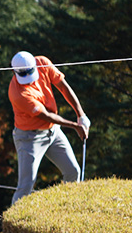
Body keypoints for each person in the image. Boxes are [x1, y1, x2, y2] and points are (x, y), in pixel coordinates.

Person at [8, 50, 90, 205]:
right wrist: (75, 126)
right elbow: (46, 115)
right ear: (14, 71)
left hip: (53, 132)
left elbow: (63, 87)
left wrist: (81, 115)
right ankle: (10, 228)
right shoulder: (18, 94)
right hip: (29, 138)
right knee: (26, 186)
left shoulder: (43, 63)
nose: (27, 79)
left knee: (73, 171)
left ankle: (69, 209)